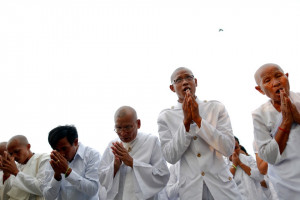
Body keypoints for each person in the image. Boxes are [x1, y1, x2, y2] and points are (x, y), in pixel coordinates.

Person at [158, 67, 241, 200]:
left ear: (195, 82)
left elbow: (228, 148)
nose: (185, 82)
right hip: (191, 191)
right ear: (172, 88)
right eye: (178, 80)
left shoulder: (215, 107)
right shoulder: (165, 117)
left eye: (188, 78)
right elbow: (170, 157)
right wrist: (185, 124)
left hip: (223, 188)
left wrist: (199, 120)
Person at [99, 106, 170, 200]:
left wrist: (132, 162)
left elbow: (162, 176)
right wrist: (115, 166)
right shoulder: (112, 145)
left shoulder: (151, 141)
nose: (123, 133)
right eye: (118, 128)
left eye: (127, 127)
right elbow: (101, 178)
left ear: (138, 123)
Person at [253, 63, 300, 199]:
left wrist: (297, 117)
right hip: (286, 185)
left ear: (287, 77)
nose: (276, 82)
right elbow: (269, 157)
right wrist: (286, 122)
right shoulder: (259, 115)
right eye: (267, 81)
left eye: (279, 76)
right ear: (260, 90)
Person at [41, 125, 101, 200]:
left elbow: (93, 190)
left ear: (75, 142)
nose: (61, 154)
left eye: (64, 148)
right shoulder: (53, 160)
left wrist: (68, 172)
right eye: (57, 150)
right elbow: (48, 197)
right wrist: (57, 176)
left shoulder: (92, 155)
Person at [0, 135, 49, 200]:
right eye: (11, 154)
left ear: (28, 147)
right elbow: (5, 197)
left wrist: (16, 173)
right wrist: (6, 175)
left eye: (17, 151)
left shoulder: (44, 159)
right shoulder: (16, 166)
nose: (14, 156)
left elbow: (42, 188)